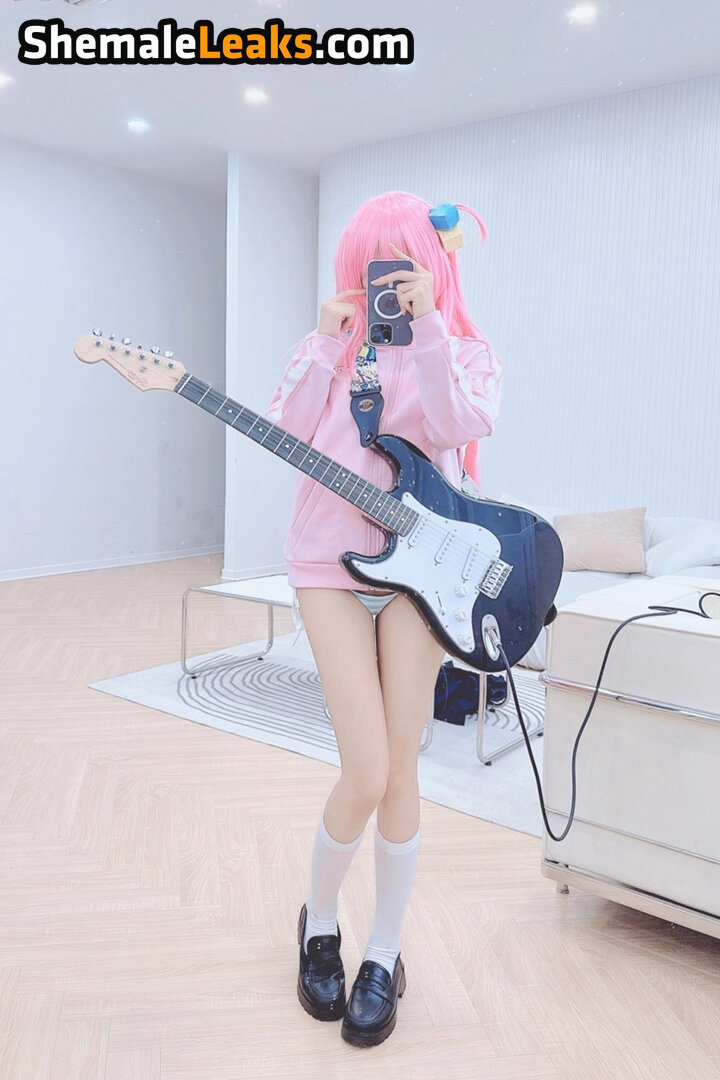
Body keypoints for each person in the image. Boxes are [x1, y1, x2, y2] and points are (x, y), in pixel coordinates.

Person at [264, 190, 503, 1047]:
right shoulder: (332, 349)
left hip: (419, 578)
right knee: (364, 770)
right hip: (327, 568)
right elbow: (285, 429)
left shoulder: (463, 351)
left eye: (402, 266)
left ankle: (384, 954)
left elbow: (463, 424)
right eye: (373, 267)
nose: (387, 283)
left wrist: (429, 330)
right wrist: (327, 343)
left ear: (432, 266)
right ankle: (320, 923)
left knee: (402, 771)